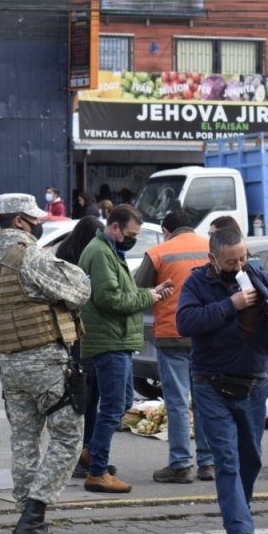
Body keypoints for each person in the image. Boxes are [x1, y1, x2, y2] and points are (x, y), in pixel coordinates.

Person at [177, 228, 268, 534]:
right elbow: (185, 322)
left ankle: (238, 510)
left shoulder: (260, 278)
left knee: (251, 457)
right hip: (210, 382)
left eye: (243, 258)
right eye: (231, 262)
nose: (238, 266)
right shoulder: (196, 284)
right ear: (212, 259)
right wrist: (229, 305)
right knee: (226, 458)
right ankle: (240, 531)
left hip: (254, 383)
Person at [0, 193, 91, 534]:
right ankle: (34, 517)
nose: (39, 224)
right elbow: (80, 290)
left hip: (10, 365)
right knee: (68, 438)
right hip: (44, 362)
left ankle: (26, 522)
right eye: (35, 219)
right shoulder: (30, 256)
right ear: (20, 221)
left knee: (24, 443)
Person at [78, 204, 173, 493]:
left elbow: (121, 292)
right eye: (130, 234)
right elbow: (110, 299)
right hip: (110, 340)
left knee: (120, 403)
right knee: (112, 407)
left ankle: (92, 453)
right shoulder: (100, 253)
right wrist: (148, 298)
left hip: (117, 340)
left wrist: (151, 292)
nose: (132, 239)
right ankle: (97, 472)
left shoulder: (109, 251)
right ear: (115, 227)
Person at [135, 209, 215, 483]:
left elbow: (138, 289)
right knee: (205, 400)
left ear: (166, 231)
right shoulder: (210, 248)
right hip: (206, 334)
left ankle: (181, 465)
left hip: (172, 335)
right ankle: (208, 463)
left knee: (178, 402)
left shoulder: (159, 252)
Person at [55, 215, 115, 479]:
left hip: (83, 337)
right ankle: (81, 455)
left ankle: (88, 454)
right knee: (85, 401)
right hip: (81, 339)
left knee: (89, 400)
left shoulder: (71, 257)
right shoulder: (70, 263)